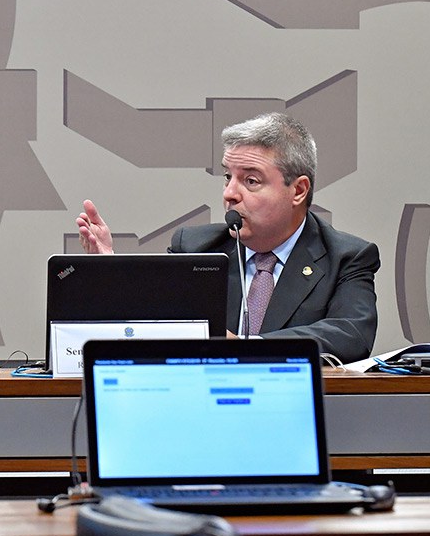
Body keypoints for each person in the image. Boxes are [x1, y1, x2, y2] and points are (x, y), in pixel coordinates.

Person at [76, 112, 379, 363]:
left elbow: (352, 334)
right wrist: (110, 273)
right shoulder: (196, 249)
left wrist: (247, 348)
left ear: (298, 190)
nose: (230, 194)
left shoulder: (346, 257)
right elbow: (157, 322)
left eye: (251, 180)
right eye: (227, 177)